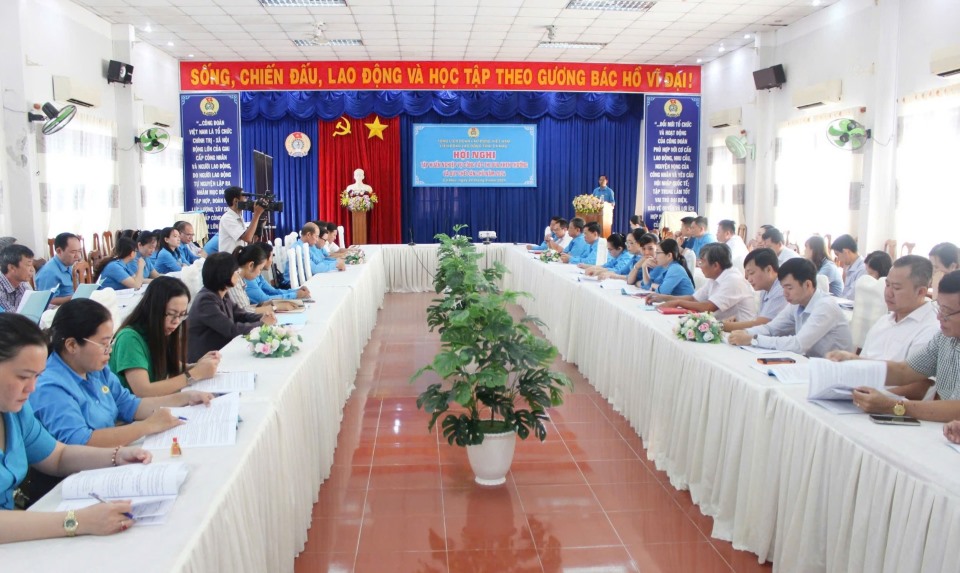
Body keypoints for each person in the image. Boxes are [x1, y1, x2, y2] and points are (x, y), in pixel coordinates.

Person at [0, 313, 152, 542]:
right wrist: (77, 521)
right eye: (23, 377)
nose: (32, 388)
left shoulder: (15, 413)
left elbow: (58, 456)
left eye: (37, 377)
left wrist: (116, 456)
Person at [30, 299, 213, 447]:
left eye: (110, 342)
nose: (109, 350)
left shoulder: (95, 369)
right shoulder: (50, 386)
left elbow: (130, 405)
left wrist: (185, 398)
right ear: (72, 345)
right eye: (103, 344)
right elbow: (78, 442)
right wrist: (147, 426)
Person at [828, 270, 960, 422]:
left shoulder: (934, 329)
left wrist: (892, 406)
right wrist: (853, 362)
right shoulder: (944, 338)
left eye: (947, 312)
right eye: (939, 308)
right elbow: (904, 371)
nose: (939, 317)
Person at [109, 276, 220, 397]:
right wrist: (193, 374)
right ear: (153, 309)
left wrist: (198, 366)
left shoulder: (160, 331)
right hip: (138, 407)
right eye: (171, 314)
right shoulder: (129, 338)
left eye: (182, 315)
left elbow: (172, 365)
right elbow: (143, 391)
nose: (176, 321)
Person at [728, 258, 853, 357]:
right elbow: (771, 328)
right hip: (811, 363)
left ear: (808, 285)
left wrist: (753, 339)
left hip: (835, 369)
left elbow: (798, 345)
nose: (785, 293)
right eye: (783, 288)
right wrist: (745, 333)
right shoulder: (797, 303)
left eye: (789, 288)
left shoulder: (825, 306)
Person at [828, 256, 939, 362]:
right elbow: (864, 359)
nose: (888, 293)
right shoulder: (884, 321)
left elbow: (912, 374)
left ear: (920, 292)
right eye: (887, 285)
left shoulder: (932, 330)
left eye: (896, 288)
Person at [187, 252, 274, 362]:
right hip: (203, 360)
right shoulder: (205, 300)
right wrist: (262, 324)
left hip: (220, 352)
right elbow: (231, 329)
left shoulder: (222, 293)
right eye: (236, 272)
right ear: (224, 275)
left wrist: (262, 317)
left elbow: (241, 315)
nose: (238, 275)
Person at [649, 243, 756, 321]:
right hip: (721, 327)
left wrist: (678, 303)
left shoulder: (733, 280)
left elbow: (709, 307)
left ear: (715, 265)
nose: (700, 266)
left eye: (702, 262)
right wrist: (663, 297)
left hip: (739, 333)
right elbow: (694, 299)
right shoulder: (716, 276)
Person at [723, 248, 787, 332]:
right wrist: (736, 323)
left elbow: (762, 324)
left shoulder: (782, 289)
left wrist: (724, 326)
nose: (748, 279)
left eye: (751, 273)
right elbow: (759, 320)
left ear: (768, 269)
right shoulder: (765, 289)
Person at [245, 242, 311, 304]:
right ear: (263, 257)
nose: (272, 260)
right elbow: (265, 300)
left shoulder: (257, 275)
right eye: (272, 256)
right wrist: (295, 295)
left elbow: (273, 291)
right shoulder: (249, 278)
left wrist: (296, 291)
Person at [228, 244, 280, 315]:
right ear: (251, 265)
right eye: (260, 269)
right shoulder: (235, 281)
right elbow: (244, 311)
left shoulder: (241, 280)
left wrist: (268, 304)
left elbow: (246, 307)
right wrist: (275, 307)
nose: (259, 274)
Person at [36, 232, 83, 305]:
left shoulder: (68, 264)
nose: (78, 256)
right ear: (59, 251)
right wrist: (74, 297)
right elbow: (47, 302)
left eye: (79, 251)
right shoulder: (49, 272)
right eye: (73, 252)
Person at [219, 186, 264, 255]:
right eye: (244, 197)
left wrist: (259, 221)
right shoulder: (227, 218)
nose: (247, 200)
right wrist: (257, 214)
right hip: (229, 259)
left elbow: (249, 240)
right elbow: (247, 238)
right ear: (235, 201)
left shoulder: (239, 217)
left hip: (238, 258)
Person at [0, 244, 34, 313]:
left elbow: (35, 304)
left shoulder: (23, 284)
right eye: (29, 265)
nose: (32, 269)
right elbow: (11, 317)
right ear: (12, 268)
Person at [831, 234, 865, 300]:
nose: (838, 259)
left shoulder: (862, 269)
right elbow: (845, 293)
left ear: (846, 252)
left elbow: (851, 296)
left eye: (837, 255)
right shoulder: (850, 267)